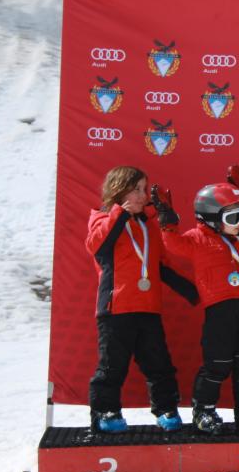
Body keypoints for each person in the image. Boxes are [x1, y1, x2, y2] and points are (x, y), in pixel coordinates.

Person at [152, 165, 239, 435]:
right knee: (217, 363)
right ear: (212, 218)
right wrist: (166, 218)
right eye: (233, 216)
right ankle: (203, 410)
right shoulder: (198, 238)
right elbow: (173, 244)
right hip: (219, 312)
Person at [85, 165, 198, 433]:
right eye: (136, 189)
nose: (142, 195)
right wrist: (120, 213)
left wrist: (192, 291)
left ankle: (166, 409)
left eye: (144, 189)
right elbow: (97, 247)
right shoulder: (102, 218)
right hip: (115, 308)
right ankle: (105, 412)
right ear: (118, 190)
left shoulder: (148, 226)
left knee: (158, 363)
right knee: (112, 366)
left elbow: (159, 266)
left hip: (148, 308)